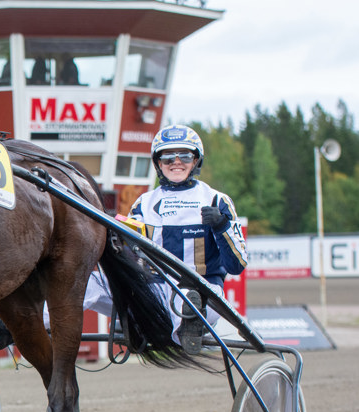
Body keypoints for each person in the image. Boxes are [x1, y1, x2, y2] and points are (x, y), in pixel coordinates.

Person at [48, 124, 248, 355]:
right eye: (168, 157)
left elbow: (237, 265)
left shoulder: (216, 200)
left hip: (203, 292)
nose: (176, 162)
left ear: (196, 160)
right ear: (158, 163)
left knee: (187, 298)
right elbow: (127, 256)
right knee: (88, 281)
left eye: (184, 155)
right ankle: (31, 323)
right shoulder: (144, 203)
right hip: (152, 291)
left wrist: (221, 226)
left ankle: (176, 324)